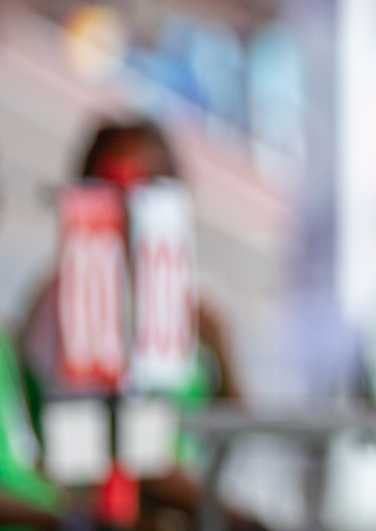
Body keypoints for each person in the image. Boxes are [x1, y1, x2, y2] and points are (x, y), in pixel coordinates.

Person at [19, 118, 256, 531]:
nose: (132, 207)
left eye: (150, 188)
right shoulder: (61, 306)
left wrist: (222, 353)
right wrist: (225, 511)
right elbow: (103, 455)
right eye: (114, 188)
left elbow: (234, 432)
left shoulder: (188, 309)